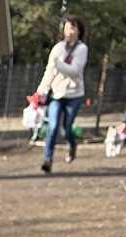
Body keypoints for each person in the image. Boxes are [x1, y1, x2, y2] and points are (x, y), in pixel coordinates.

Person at [36, 15, 88, 174]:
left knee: (66, 129)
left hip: (74, 95)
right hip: (57, 95)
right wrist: (40, 91)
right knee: (52, 127)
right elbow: (49, 71)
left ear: (79, 31)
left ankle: (72, 146)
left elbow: (74, 71)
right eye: (67, 28)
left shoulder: (82, 49)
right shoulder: (57, 48)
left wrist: (58, 64)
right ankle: (47, 159)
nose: (69, 31)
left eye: (73, 28)